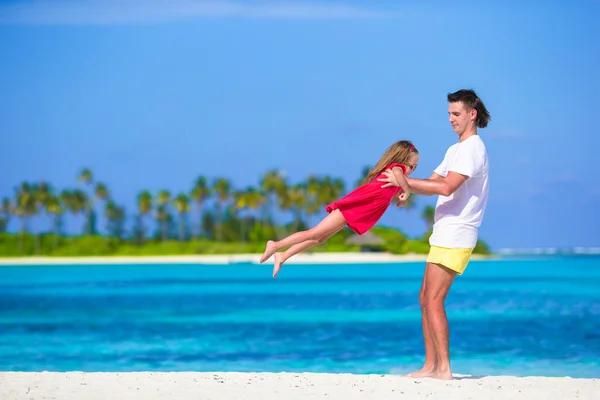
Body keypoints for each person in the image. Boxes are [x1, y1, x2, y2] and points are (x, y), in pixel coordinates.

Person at [380, 89, 490, 380]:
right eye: (449, 114)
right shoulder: (455, 150)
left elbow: (446, 188)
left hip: (458, 233)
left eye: (456, 114)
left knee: (434, 300)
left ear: (472, 114)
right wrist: (405, 189)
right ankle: (431, 365)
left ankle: (444, 369)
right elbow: (431, 181)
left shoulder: (473, 149)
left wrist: (404, 181)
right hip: (444, 233)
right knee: (424, 298)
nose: (451, 119)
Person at [260, 140, 420, 278]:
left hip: (358, 210)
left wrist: (400, 194)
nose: (411, 170)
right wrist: (405, 191)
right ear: (401, 159)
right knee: (314, 233)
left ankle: (282, 255)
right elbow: (399, 175)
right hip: (353, 207)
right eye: (411, 165)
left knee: (319, 239)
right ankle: (275, 245)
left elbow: (391, 188)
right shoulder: (397, 169)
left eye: (415, 167)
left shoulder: (397, 177)